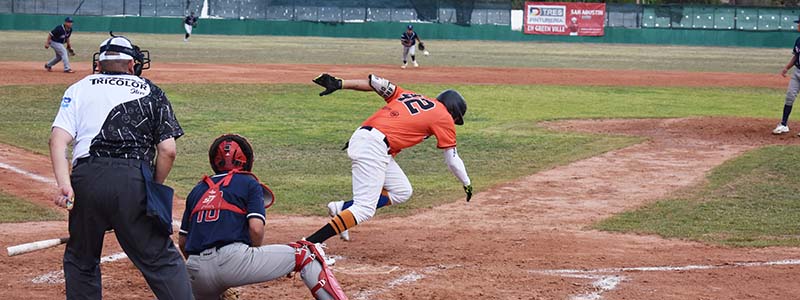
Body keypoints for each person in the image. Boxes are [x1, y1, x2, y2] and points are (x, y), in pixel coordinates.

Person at [49, 35, 192, 299]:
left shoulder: (78, 88)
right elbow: (168, 150)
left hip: (86, 179)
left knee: (81, 260)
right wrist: (151, 187)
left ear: (99, 64)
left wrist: (64, 185)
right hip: (132, 179)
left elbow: (57, 140)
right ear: (131, 64)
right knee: (160, 259)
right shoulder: (151, 91)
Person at [306, 73, 473, 245]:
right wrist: (467, 183)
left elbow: (375, 84)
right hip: (374, 146)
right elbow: (453, 160)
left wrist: (341, 83)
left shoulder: (409, 95)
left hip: (369, 140)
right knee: (364, 209)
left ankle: (342, 208)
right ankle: (309, 244)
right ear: (453, 111)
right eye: (455, 118)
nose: (453, 122)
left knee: (402, 191)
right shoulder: (444, 116)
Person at [178, 134, 348, 300]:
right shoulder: (249, 183)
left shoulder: (197, 190)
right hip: (233, 261)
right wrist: (249, 257)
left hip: (195, 271)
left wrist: (209, 273)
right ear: (247, 160)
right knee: (307, 254)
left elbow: (183, 242)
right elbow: (256, 228)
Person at [774, 16, 800, 135]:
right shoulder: (798, 40)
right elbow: (796, 56)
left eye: (799, 23)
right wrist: (786, 68)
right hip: (797, 72)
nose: (797, 25)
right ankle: (784, 124)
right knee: (790, 96)